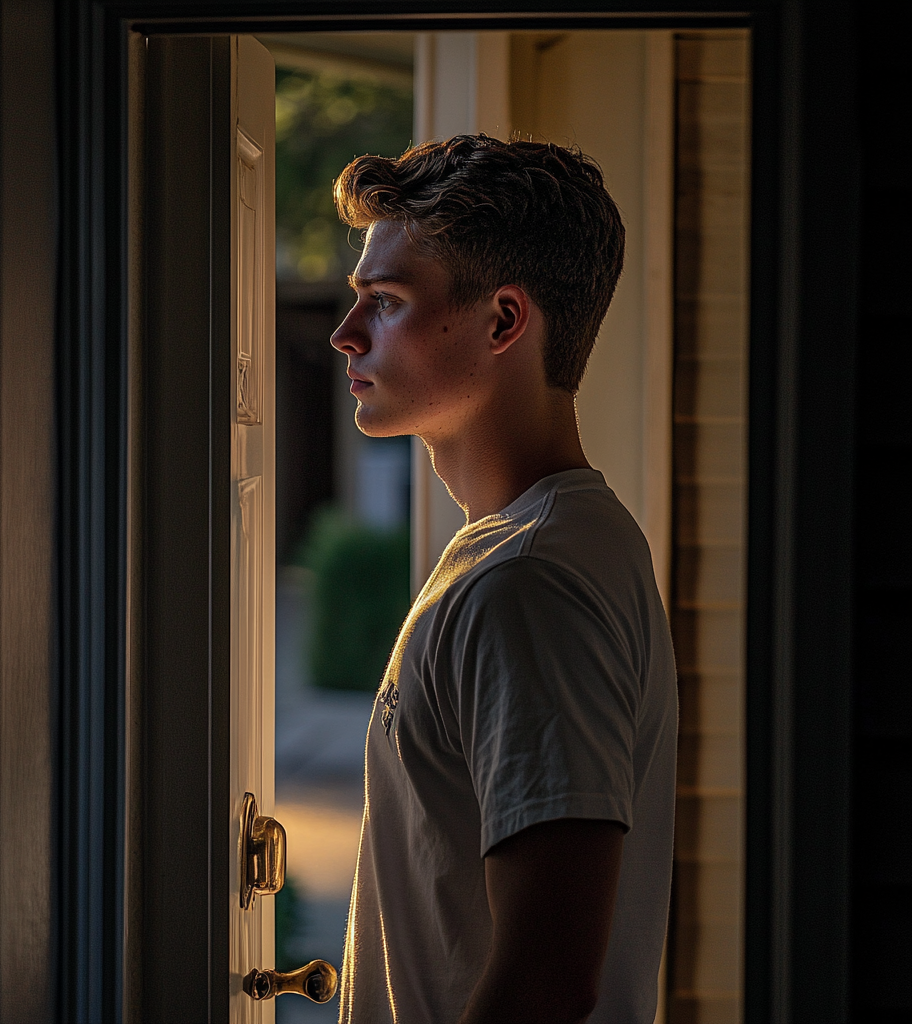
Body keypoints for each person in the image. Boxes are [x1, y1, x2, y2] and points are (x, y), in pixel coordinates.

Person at [329, 135, 677, 1024]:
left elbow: (549, 980)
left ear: (502, 321)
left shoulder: (527, 585)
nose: (346, 334)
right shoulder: (541, 545)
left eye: (388, 301)